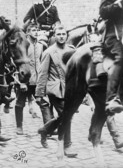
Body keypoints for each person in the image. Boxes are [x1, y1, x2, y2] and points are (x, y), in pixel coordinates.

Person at [35, 26, 77, 157]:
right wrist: (39, 93)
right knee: (67, 116)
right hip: (55, 89)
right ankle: (67, 145)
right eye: (58, 34)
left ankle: (45, 129)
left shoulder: (72, 50)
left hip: (70, 88)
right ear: (55, 36)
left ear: (67, 35)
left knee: (64, 116)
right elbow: (42, 73)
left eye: (64, 34)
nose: (61, 36)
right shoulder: (49, 52)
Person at [15, 24, 44, 135]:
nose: (36, 32)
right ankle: (19, 127)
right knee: (20, 103)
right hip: (25, 80)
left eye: (37, 30)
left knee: (44, 103)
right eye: (33, 30)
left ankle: (48, 128)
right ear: (27, 32)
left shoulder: (41, 46)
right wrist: (20, 81)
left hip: (37, 80)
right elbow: (18, 64)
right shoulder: (23, 45)